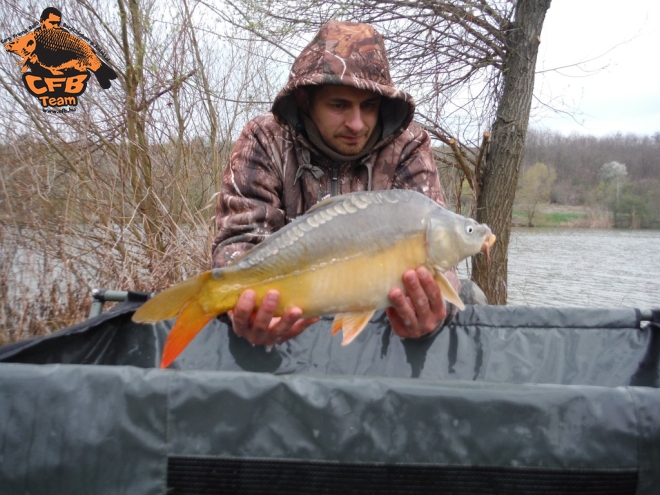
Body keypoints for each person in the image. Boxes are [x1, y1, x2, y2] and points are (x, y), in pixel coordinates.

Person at [212, 20, 463, 347]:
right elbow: (239, 240)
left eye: (369, 106)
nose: (357, 124)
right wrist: (241, 311)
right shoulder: (265, 138)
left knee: (469, 299)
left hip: (382, 327)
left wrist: (435, 313)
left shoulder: (408, 145)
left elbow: (440, 255)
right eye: (339, 105)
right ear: (305, 100)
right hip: (289, 318)